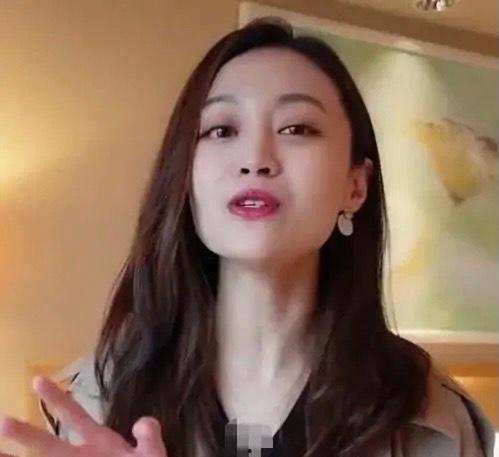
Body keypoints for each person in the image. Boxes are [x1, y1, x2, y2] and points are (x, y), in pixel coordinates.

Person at [0, 17, 495, 457]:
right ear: (185, 178)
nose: (255, 158)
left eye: (297, 128)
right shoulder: (100, 400)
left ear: (356, 186)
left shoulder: (433, 419)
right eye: (221, 130)